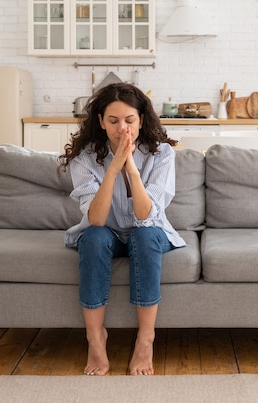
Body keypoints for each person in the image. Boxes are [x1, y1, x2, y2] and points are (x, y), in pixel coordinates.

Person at [59, 83, 185, 376]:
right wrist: (113, 168)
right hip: (107, 231)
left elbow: (145, 214)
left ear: (141, 120)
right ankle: (95, 338)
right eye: (113, 121)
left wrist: (130, 168)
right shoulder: (85, 157)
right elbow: (98, 218)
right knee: (93, 236)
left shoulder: (162, 154)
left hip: (148, 232)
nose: (122, 129)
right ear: (101, 121)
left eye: (129, 120)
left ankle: (145, 339)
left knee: (144, 235)